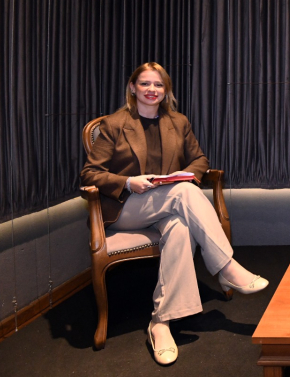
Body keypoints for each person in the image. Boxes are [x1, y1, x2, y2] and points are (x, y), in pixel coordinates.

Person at [81, 62, 268, 365]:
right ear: (132, 88)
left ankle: (160, 323)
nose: (152, 90)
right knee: (184, 192)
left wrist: (185, 173)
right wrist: (128, 182)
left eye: (158, 84)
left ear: (166, 90)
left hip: (168, 206)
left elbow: (200, 160)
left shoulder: (178, 122)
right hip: (127, 208)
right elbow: (90, 173)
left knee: (180, 227)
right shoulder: (114, 124)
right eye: (145, 84)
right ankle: (225, 267)